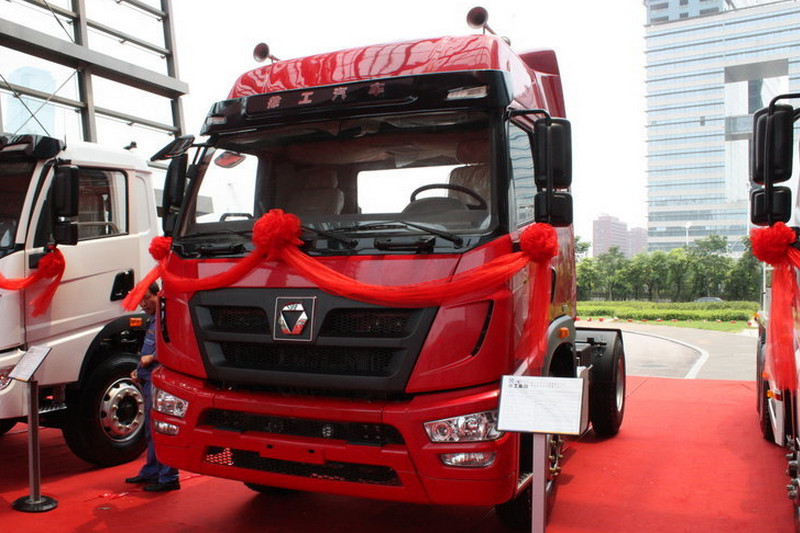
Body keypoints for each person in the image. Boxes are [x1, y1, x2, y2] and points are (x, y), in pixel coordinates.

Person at [124, 282, 180, 492]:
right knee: (151, 431)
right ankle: (152, 471)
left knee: (162, 429)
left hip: (160, 382)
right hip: (149, 379)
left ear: (158, 295)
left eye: (147, 298)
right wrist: (140, 370)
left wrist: (153, 358)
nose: (143, 304)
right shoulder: (153, 320)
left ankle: (168, 477)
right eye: (140, 300)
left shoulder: (168, 320)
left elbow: (176, 346)